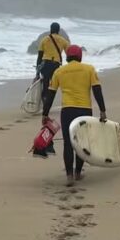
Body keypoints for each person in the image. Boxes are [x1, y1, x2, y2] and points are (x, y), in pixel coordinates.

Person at [41, 44, 107, 186]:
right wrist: (102, 110)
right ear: (80, 56)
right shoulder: (89, 69)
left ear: (67, 57)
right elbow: (97, 90)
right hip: (84, 111)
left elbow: (50, 95)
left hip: (67, 111)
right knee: (82, 142)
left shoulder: (59, 71)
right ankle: (78, 173)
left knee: (68, 143)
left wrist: (45, 114)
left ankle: (69, 176)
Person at [35, 22, 70, 96]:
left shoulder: (44, 40)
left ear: (51, 29)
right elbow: (69, 55)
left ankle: (44, 99)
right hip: (56, 65)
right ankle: (49, 98)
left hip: (45, 64)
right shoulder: (63, 40)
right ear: (58, 30)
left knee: (45, 83)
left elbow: (39, 56)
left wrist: (37, 72)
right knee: (53, 85)